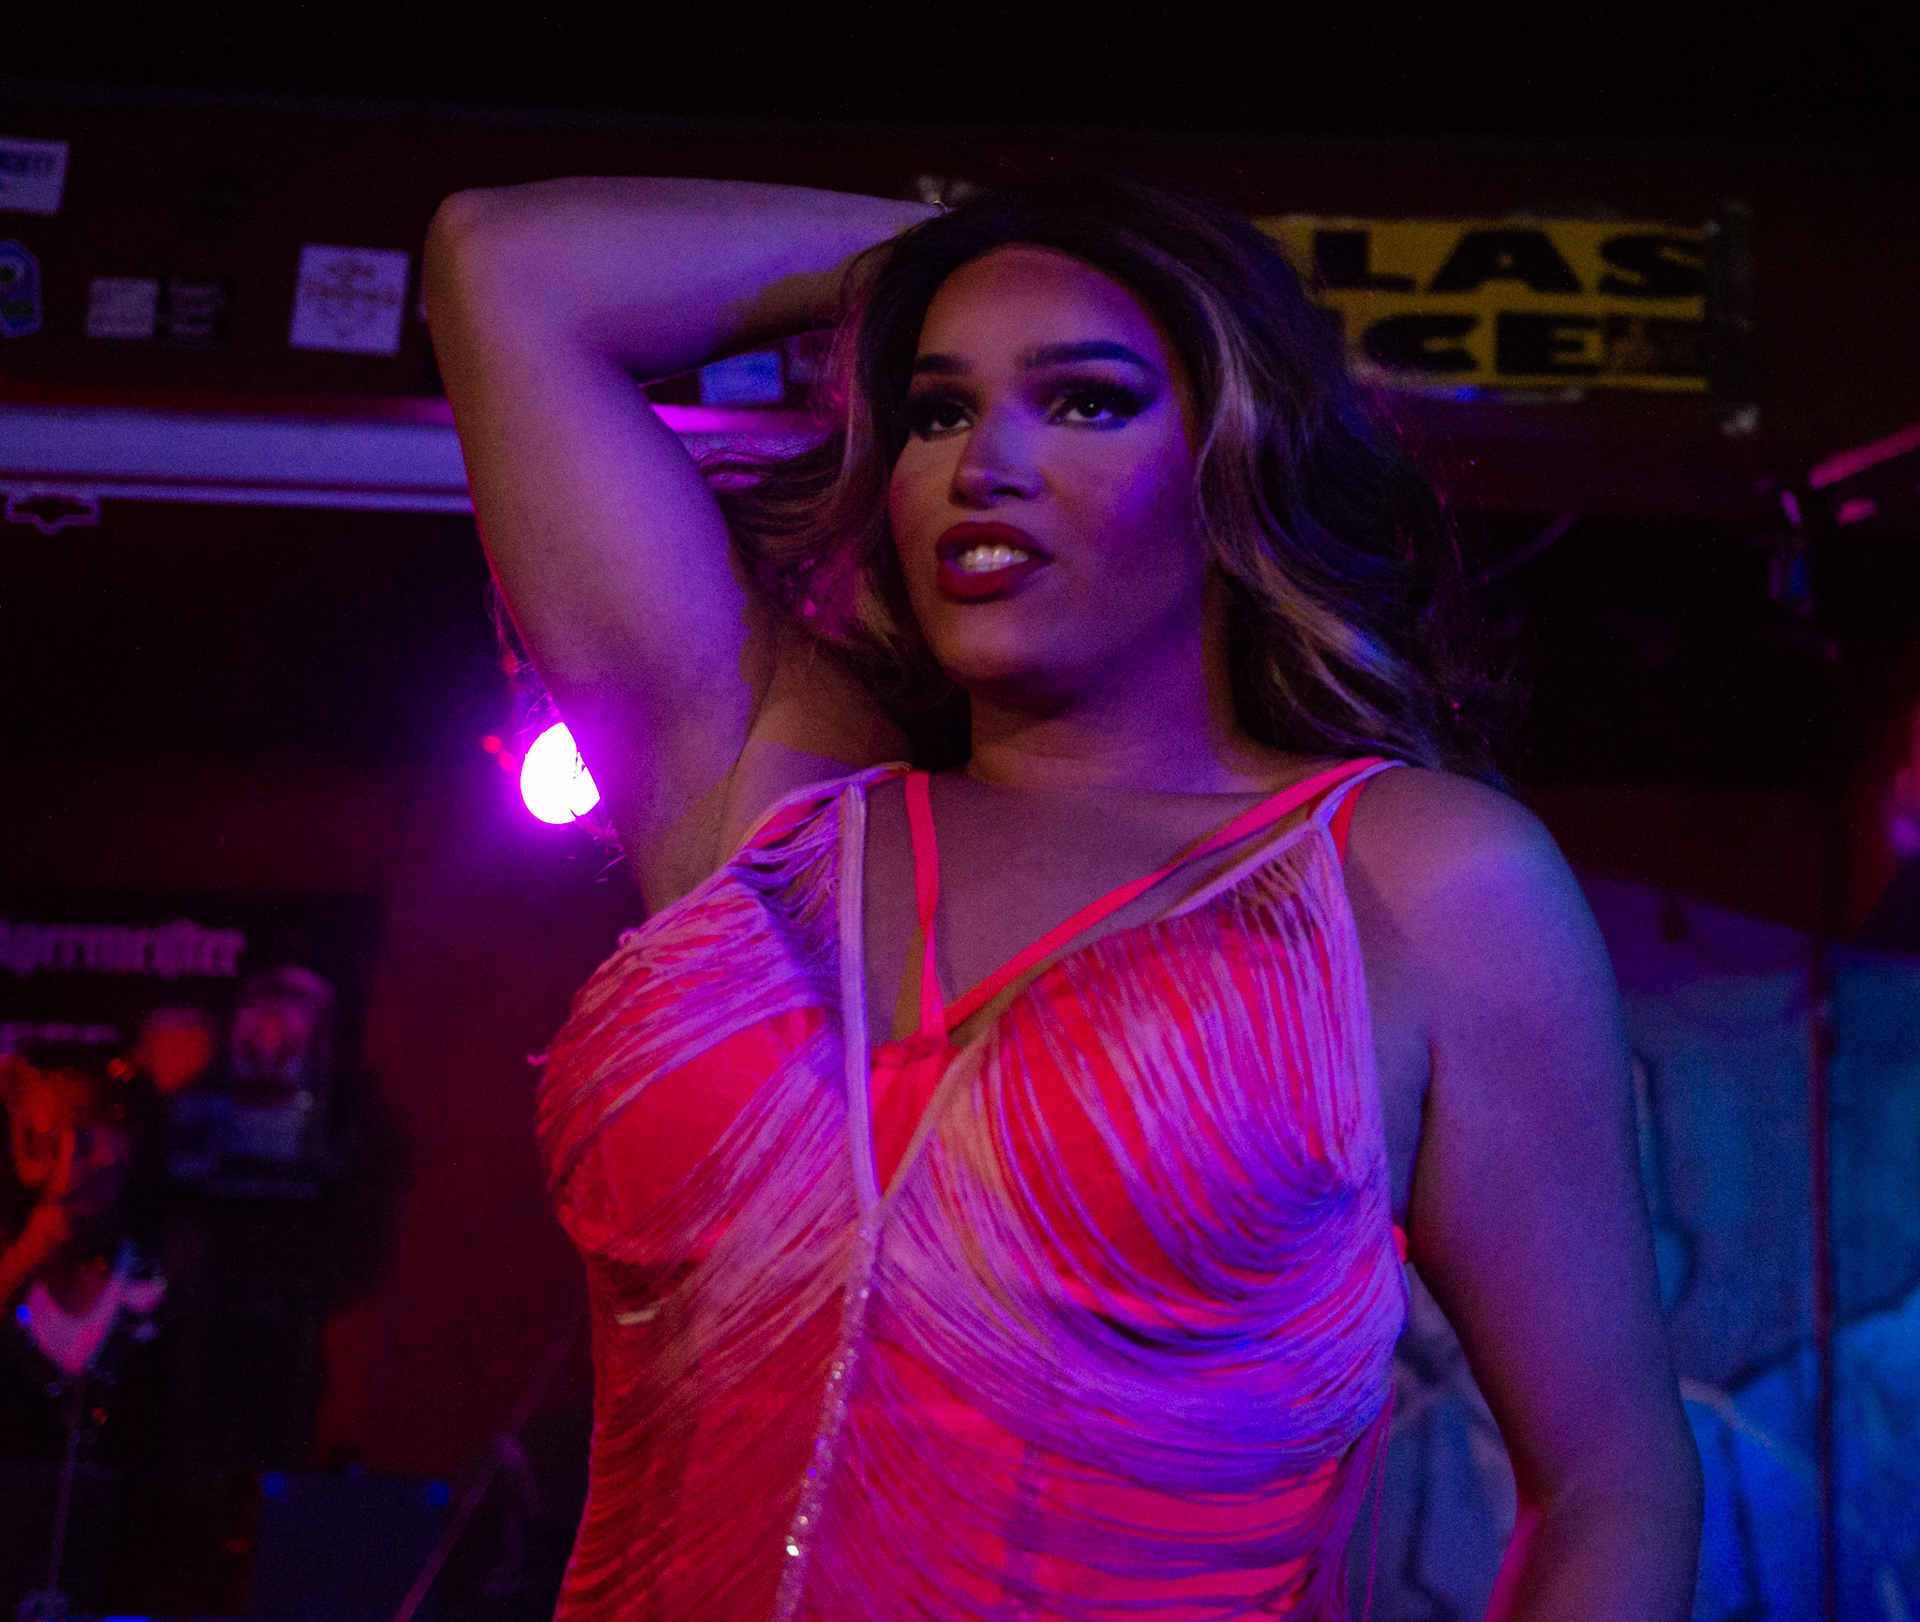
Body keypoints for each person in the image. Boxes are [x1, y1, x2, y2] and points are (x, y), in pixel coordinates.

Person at [423, 173, 1702, 1621]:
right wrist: (977, 243)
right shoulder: (771, 797)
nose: (987, 463)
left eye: (1085, 402)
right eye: (937, 410)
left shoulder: (1413, 876)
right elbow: (501, 264)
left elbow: (1610, 1478)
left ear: (1231, 455)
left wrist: (1051, 249)